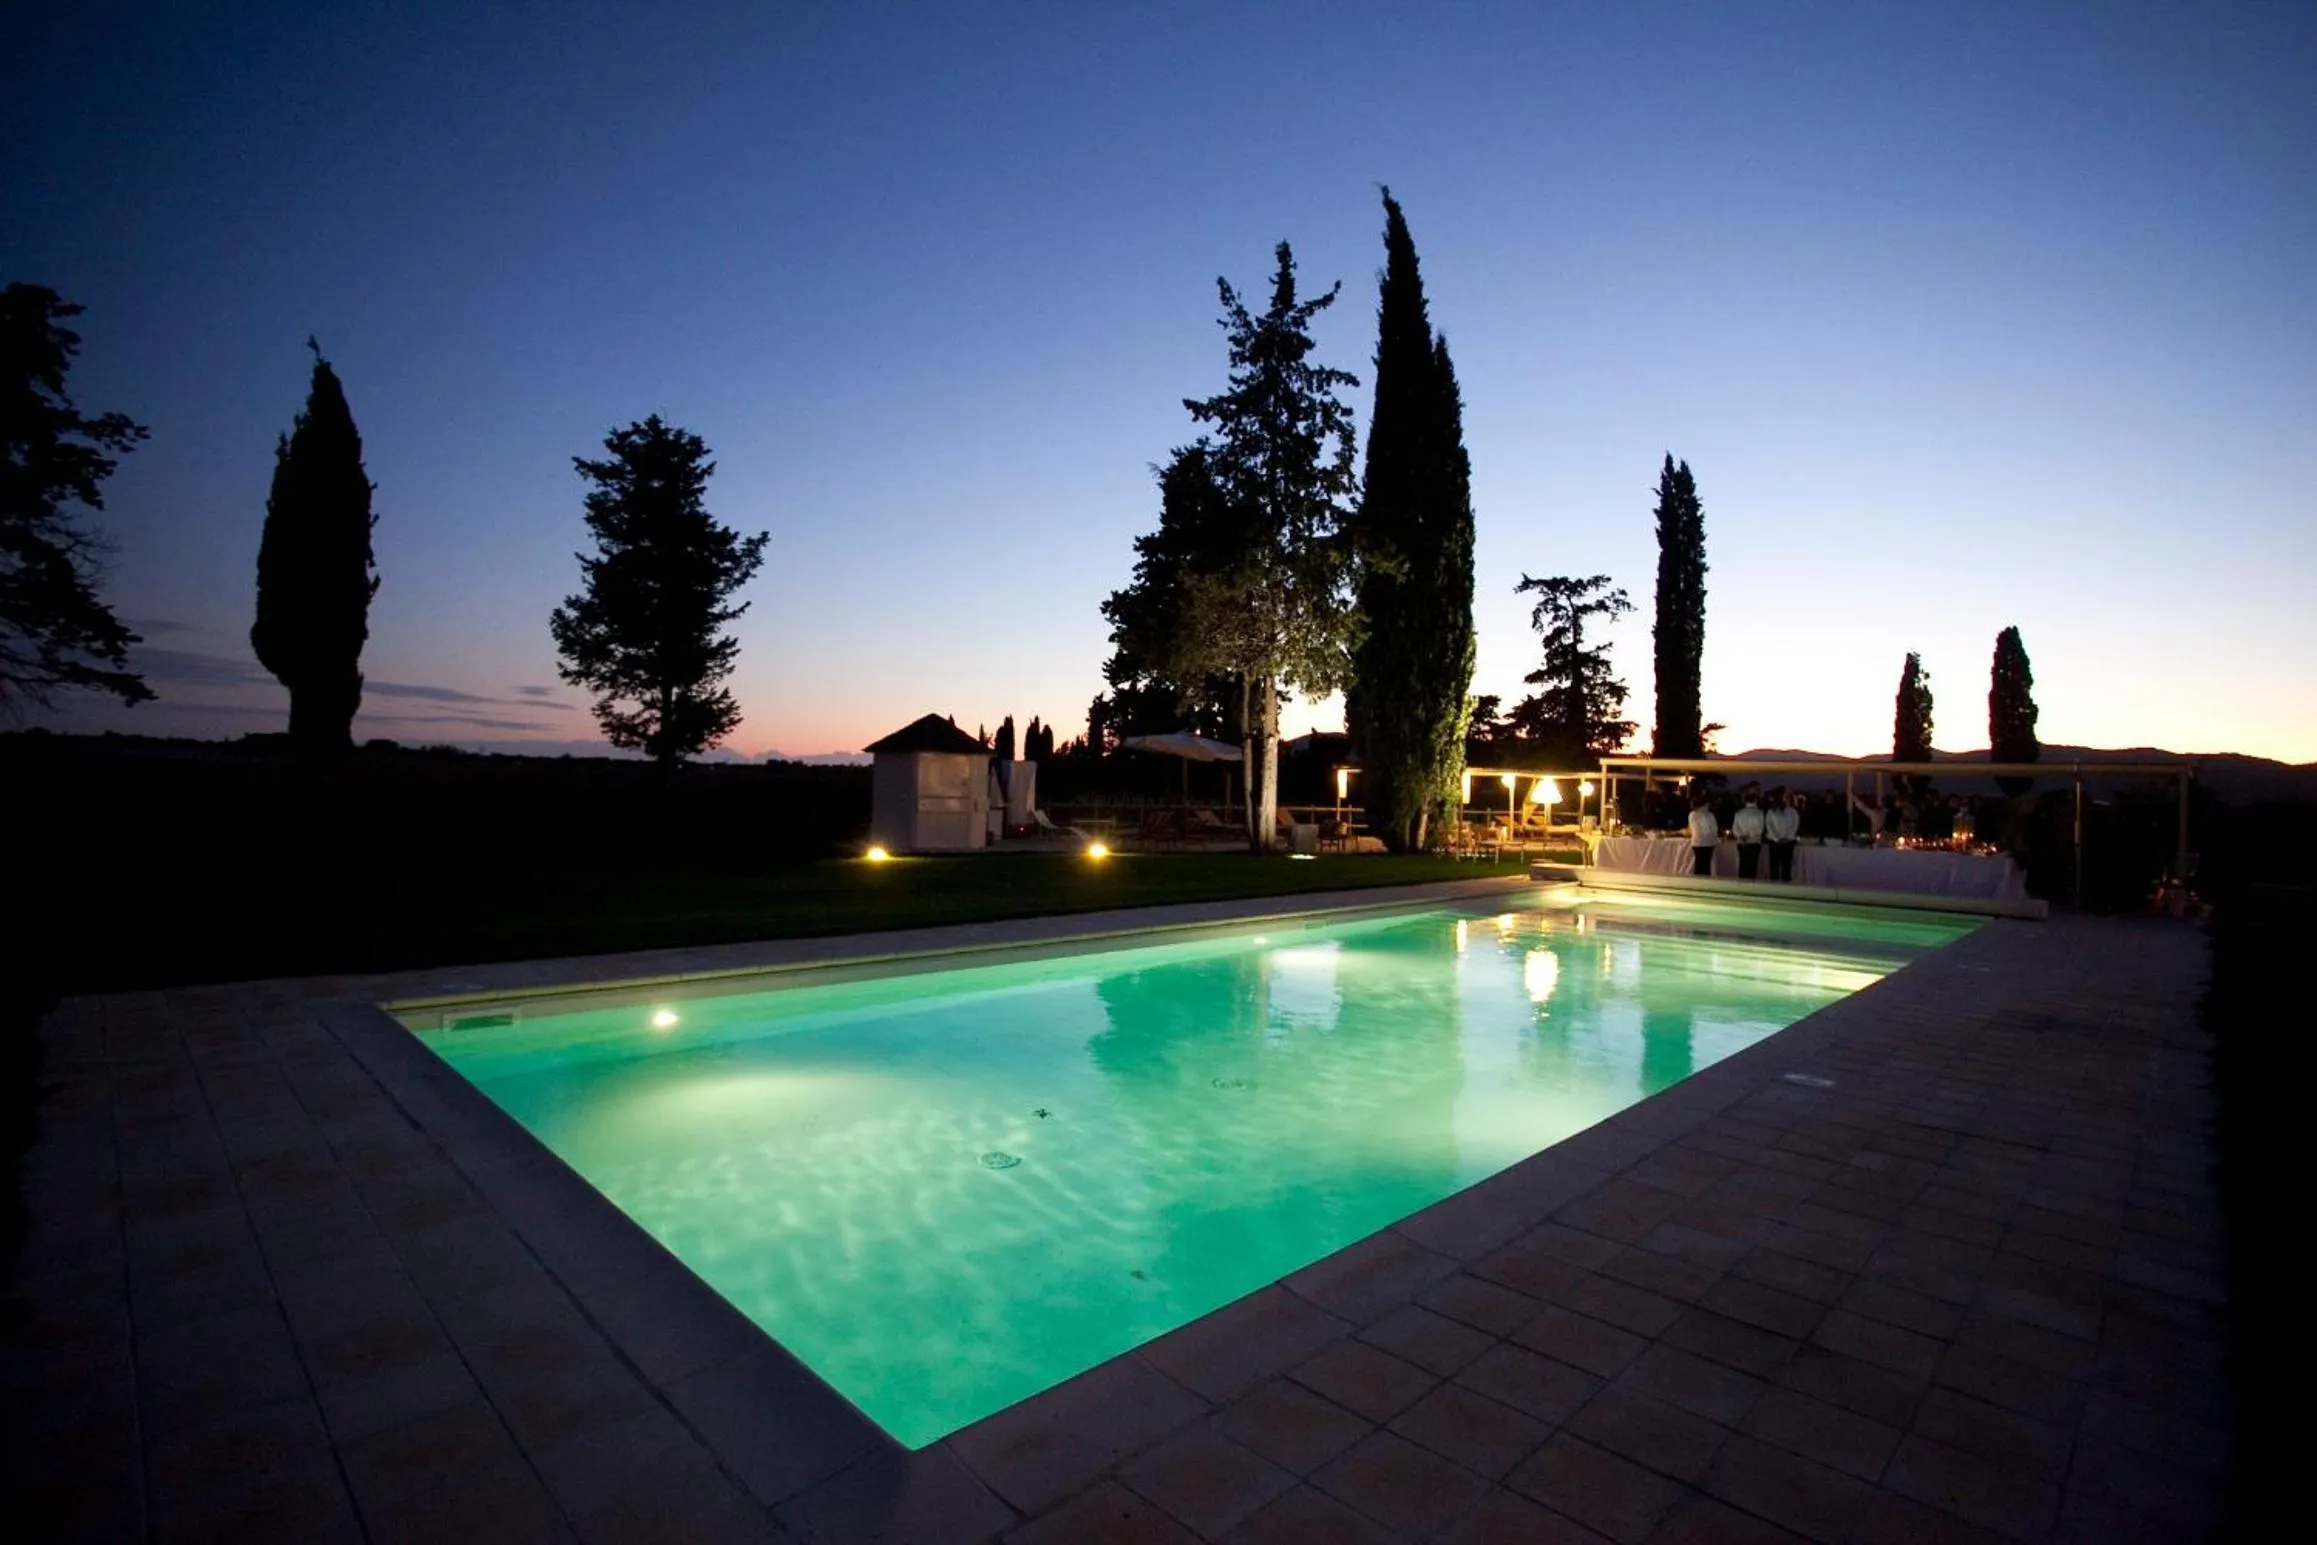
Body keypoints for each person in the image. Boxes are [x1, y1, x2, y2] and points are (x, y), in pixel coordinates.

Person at [1765, 786, 1800, 881]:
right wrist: (1777, 838)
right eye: (1784, 796)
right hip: (1774, 842)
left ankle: (1786, 887)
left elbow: (1794, 826)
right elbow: (1769, 826)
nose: (1786, 798)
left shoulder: (1793, 812)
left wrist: (1786, 838)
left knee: (1786, 867)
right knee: (1774, 868)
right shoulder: (1771, 812)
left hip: (1788, 843)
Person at [1731, 783, 1766, 879]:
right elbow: (1760, 829)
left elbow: (1735, 828)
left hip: (1741, 843)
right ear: (1755, 800)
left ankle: (1741, 885)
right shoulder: (1760, 813)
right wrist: (1749, 836)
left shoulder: (1739, 813)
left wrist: (1741, 836)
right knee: (1752, 866)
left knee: (1742, 865)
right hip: (1754, 843)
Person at [1687, 789, 1719, 876]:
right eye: (1707, 803)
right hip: (1700, 842)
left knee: (1705, 864)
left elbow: (1714, 829)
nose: (1709, 805)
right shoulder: (1694, 815)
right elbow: (1698, 829)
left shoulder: (1709, 815)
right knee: (1700, 864)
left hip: (1706, 843)